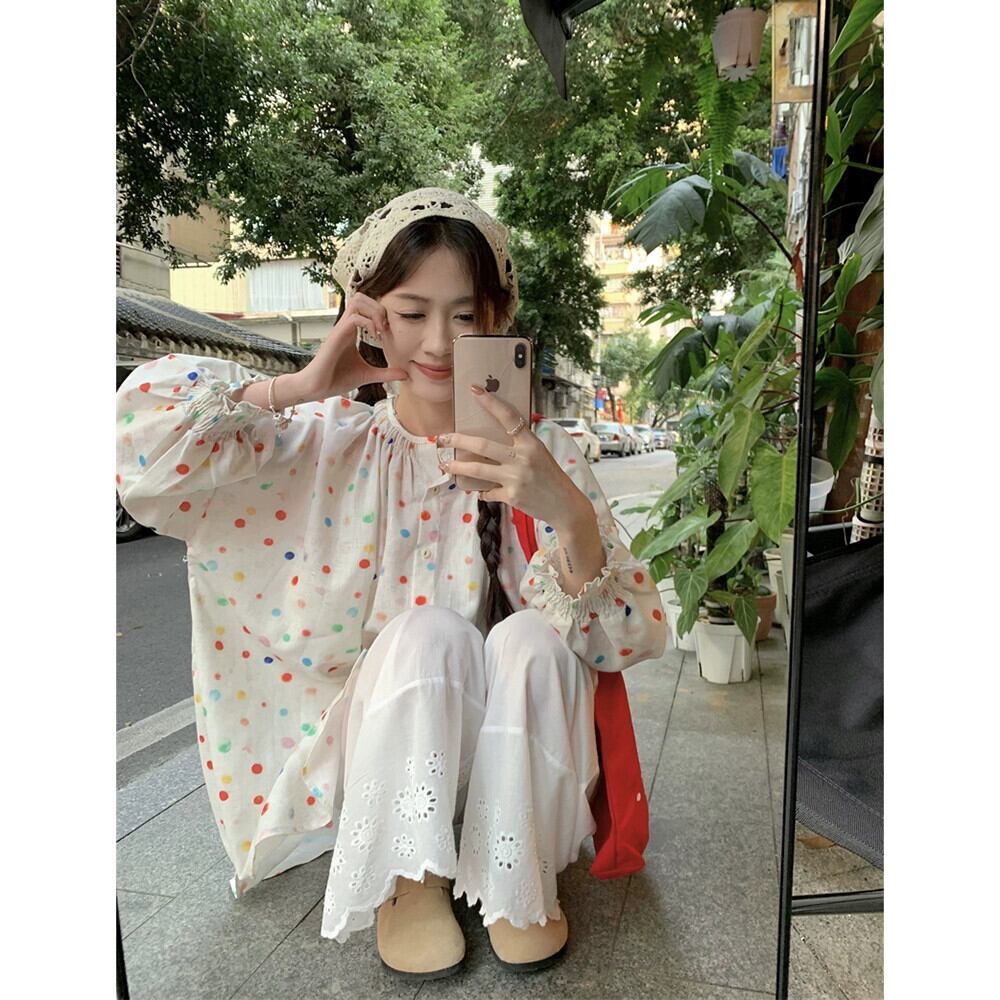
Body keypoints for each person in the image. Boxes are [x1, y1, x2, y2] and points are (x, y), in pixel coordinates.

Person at [116, 187, 667, 980]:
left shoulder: (547, 456)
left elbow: (631, 639)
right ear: (369, 318)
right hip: (393, 762)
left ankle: (519, 874)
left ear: (498, 316)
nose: (439, 342)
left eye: (465, 315)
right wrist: (302, 383)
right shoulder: (326, 444)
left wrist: (568, 512)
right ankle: (410, 877)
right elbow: (141, 445)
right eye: (411, 313)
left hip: (529, 767)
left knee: (530, 638)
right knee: (425, 633)